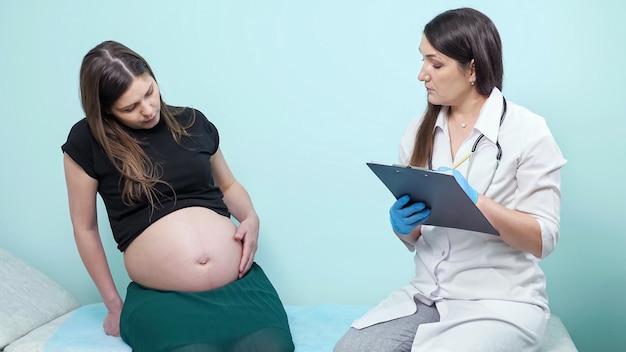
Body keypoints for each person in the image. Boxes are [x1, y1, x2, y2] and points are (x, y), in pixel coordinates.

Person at [335, 7, 566, 352]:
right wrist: (402, 226)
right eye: (422, 60)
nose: (421, 75)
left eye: (435, 64)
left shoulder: (527, 131)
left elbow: (543, 239)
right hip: (428, 295)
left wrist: (476, 201)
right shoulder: (418, 131)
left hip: (500, 303)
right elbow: (415, 237)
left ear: (472, 68)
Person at [62, 40, 294, 352]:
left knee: (273, 348)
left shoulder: (193, 122)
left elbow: (228, 187)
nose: (147, 109)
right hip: (163, 299)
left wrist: (251, 218)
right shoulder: (86, 141)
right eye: (130, 107)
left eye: (149, 92)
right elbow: (85, 228)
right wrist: (113, 304)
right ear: (105, 110)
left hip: (238, 287)